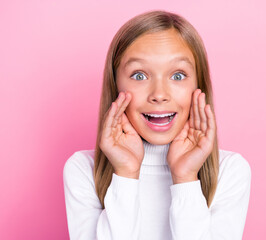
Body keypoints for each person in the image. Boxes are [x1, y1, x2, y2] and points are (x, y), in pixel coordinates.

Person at [63, 10, 251, 240]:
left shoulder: (230, 171)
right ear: (115, 86)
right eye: (139, 75)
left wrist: (185, 179)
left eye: (178, 75)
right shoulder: (82, 170)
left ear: (198, 86)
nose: (159, 94)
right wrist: (125, 174)